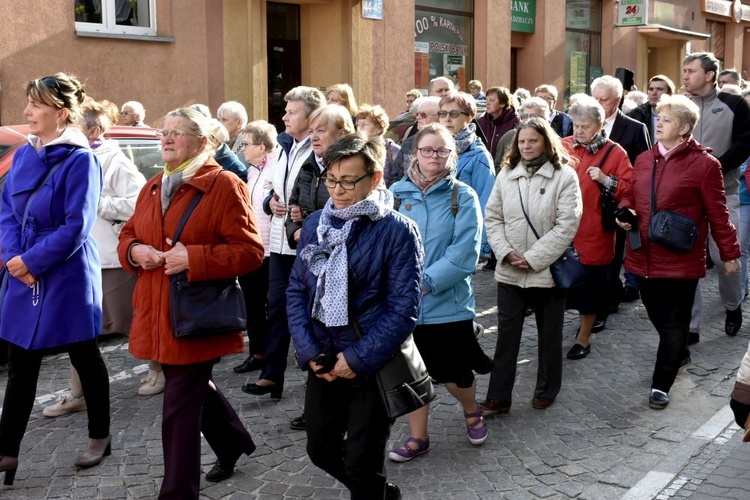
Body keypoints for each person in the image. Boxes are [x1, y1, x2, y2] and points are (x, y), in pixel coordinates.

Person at [118, 108, 264, 498]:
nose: (166, 139)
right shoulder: (153, 185)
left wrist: (194, 259)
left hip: (196, 316)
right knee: (194, 388)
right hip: (157, 313)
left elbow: (250, 252)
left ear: (202, 142)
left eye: (177, 133)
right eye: (163, 132)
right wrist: (135, 251)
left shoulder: (224, 184)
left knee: (179, 407)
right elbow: (129, 234)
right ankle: (232, 440)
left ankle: (177, 493)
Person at [287, 133, 423, 500]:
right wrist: (308, 349)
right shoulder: (316, 223)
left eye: (348, 181)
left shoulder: (397, 231)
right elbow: (297, 290)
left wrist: (357, 358)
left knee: (363, 461)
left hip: (370, 364)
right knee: (320, 449)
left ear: (374, 179)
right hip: (323, 357)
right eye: (332, 180)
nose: (338, 190)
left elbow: (403, 309)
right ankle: (382, 493)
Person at [0, 73, 112, 483]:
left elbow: (75, 226)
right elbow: (7, 211)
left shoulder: (82, 159)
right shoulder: (27, 154)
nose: (27, 112)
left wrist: (31, 262)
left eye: (36, 106)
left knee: (84, 355)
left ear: (61, 113)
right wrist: (13, 257)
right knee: (21, 361)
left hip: (65, 272)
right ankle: (7, 451)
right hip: (22, 268)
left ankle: (100, 434)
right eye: (28, 103)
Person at [617, 94, 740, 409]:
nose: (659, 124)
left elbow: (718, 214)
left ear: (685, 128)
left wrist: (729, 254)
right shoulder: (644, 159)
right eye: (658, 118)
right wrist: (626, 210)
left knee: (674, 325)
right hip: (642, 256)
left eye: (667, 120)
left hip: (681, 260)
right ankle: (679, 354)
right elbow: (630, 194)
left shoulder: (705, 165)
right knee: (658, 317)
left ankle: (661, 384)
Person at [245, 105, 353, 433]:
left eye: (321, 129)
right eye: (314, 129)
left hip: (340, 261)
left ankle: (339, 406)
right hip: (301, 252)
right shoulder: (304, 160)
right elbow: (290, 201)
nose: (314, 135)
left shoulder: (350, 164)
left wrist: (307, 225)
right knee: (294, 316)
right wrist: (296, 228)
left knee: (334, 331)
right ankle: (309, 399)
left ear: (341, 133)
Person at [388, 123, 492, 463]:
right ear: (415, 152)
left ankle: (471, 408)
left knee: (454, 375)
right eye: (428, 150)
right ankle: (419, 437)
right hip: (404, 305)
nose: (435, 156)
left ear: (452, 154)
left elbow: (465, 254)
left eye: (442, 150)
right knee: (412, 375)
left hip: (448, 304)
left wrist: (425, 282)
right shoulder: (395, 194)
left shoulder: (462, 195)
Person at [42, 97, 146, 417]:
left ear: (94, 130)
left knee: (131, 323)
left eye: (74, 127)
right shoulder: (69, 157)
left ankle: (162, 369)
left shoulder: (113, 159)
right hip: (77, 257)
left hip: (109, 258)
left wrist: (96, 202)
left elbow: (137, 199)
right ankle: (78, 394)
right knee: (80, 330)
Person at [480, 118, 582, 413]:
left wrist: (534, 258)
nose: (526, 146)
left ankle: (547, 388)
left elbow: (567, 224)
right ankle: (499, 396)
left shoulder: (564, 176)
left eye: (532, 141)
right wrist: (506, 252)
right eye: (522, 142)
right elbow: (493, 217)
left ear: (546, 142)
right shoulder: (506, 174)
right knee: (506, 335)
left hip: (547, 270)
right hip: (510, 268)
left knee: (549, 334)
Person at [244, 86, 325, 403]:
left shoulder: (317, 148)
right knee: (276, 307)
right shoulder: (284, 146)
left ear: (309, 116)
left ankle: (315, 389)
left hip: (304, 242)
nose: (285, 116)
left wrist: (297, 211)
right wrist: (270, 203)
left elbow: (319, 194)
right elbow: (273, 189)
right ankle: (271, 375)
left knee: (308, 314)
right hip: (280, 242)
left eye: (292, 112)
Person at [683, 52, 750, 342]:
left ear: (710, 75)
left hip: (726, 193)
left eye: (691, 71)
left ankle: (732, 306)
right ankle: (691, 326)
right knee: (689, 261)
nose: (685, 75)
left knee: (726, 257)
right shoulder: (679, 105)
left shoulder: (735, 104)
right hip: (685, 199)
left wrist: (715, 167)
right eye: (684, 70)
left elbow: (746, 143)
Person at [562, 95, 632, 360]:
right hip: (563, 231)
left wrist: (606, 180)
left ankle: (584, 336)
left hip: (594, 231)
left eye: (585, 126)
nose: (579, 131)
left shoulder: (615, 153)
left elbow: (629, 188)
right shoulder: (563, 146)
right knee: (559, 284)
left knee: (590, 288)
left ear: (600, 126)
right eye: (575, 125)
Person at [590, 75, 650, 332]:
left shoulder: (635, 128)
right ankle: (607, 297)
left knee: (613, 258)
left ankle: (601, 309)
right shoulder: (580, 123)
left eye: (603, 100)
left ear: (618, 100)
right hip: (586, 203)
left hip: (617, 203)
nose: (598, 104)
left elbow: (643, 168)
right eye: (595, 98)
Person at [233, 120, 279, 374]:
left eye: (247, 144)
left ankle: (273, 355)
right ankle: (257, 353)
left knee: (273, 307)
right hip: (253, 247)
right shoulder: (252, 170)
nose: (242, 149)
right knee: (252, 303)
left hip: (274, 249)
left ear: (262, 147)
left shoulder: (277, 168)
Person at [439, 91, 495, 259]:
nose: (447, 118)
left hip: (461, 239)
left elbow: (486, 202)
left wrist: (481, 247)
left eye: (454, 113)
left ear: (469, 117)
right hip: (435, 236)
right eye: (443, 113)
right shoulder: (432, 150)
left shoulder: (479, 156)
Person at [390, 97, 441, 186]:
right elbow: (395, 176)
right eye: (418, 114)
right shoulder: (409, 142)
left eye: (423, 115)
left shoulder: (447, 144)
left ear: (439, 117)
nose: (418, 118)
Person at [493, 96, 551, 172]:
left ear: (545, 119)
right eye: (524, 116)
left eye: (534, 117)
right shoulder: (508, 137)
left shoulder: (553, 139)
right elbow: (498, 166)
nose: (528, 120)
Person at [356, 104, 402, 187]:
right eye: (358, 124)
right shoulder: (355, 149)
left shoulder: (393, 151)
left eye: (365, 124)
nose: (360, 127)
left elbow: (399, 180)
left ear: (379, 128)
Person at [628, 75, 675, 145]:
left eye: (659, 89)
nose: (654, 93)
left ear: (670, 94)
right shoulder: (637, 114)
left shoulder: (677, 115)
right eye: (651, 89)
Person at [477, 86, 520, 158]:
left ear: (502, 104)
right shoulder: (481, 121)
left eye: (492, 100)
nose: (487, 103)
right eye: (486, 100)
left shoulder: (515, 121)